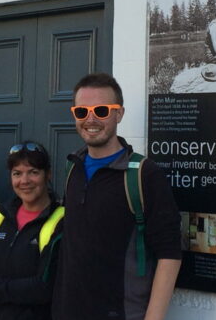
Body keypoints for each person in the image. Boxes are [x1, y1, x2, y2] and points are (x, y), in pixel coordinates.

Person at [52, 73, 182, 320]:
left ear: (119, 114)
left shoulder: (144, 174)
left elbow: (170, 253)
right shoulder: (73, 168)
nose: (91, 119)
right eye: (82, 112)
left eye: (101, 110)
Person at [0, 142, 62, 320]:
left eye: (33, 172)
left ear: (48, 175)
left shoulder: (62, 221)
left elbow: (44, 288)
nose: (24, 181)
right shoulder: (1, 217)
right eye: (17, 173)